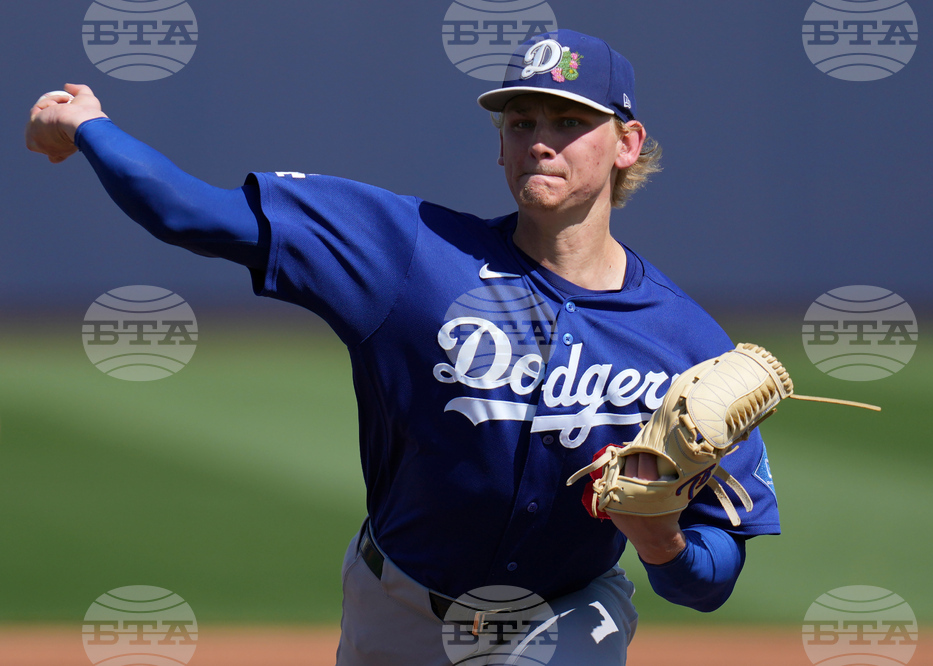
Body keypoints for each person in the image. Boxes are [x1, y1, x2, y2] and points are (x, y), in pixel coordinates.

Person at [27, 30, 779, 666]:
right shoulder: (409, 254)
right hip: (397, 608)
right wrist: (89, 125)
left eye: (567, 121)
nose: (540, 141)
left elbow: (709, 583)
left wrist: (662, 544)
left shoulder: (688, 345)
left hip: (567, 616)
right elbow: (193, 215)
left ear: (627, 143)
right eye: (520, 122)